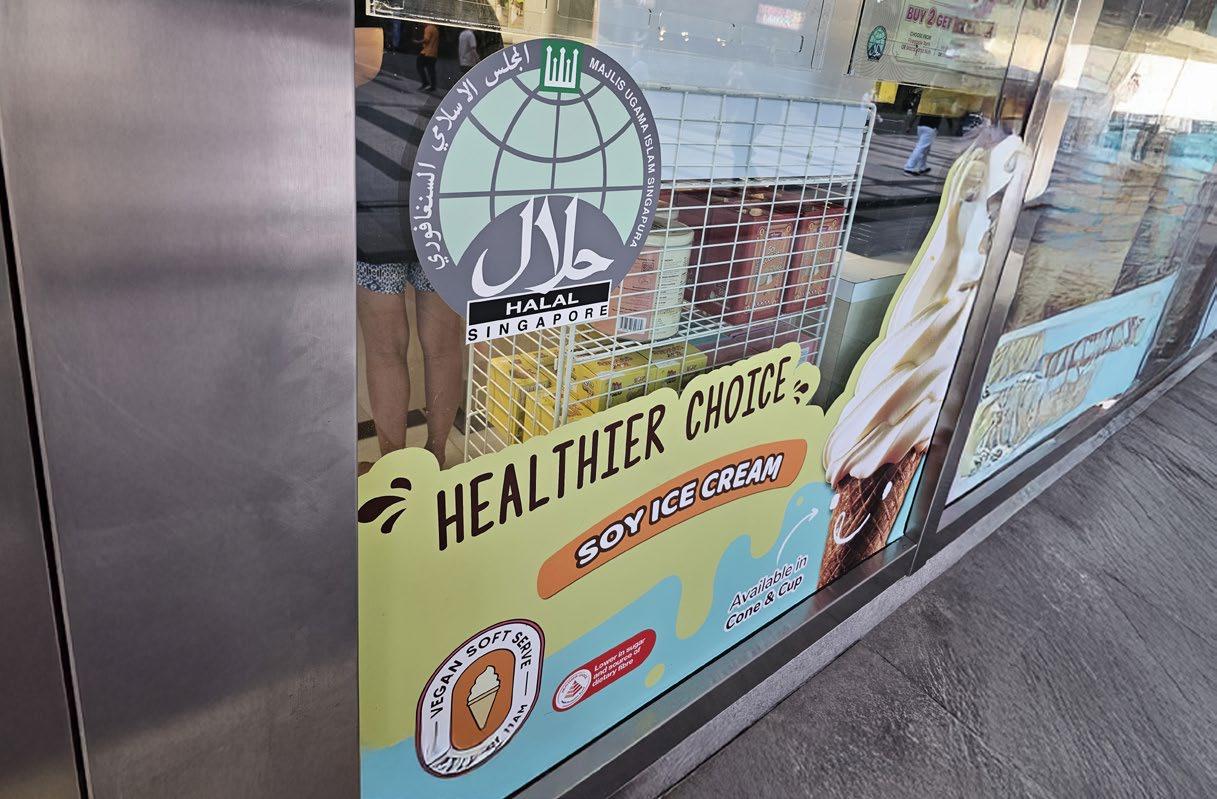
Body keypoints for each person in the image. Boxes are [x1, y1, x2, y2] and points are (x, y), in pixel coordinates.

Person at [416, 23, 439, 92]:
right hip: (434, 53)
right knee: (431, 70)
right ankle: (433, 86)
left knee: (419, 65)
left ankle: (425, 83)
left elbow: (426, 39)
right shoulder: (435, 28)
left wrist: (418, 42)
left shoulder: (428, 28)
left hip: (426, 52)